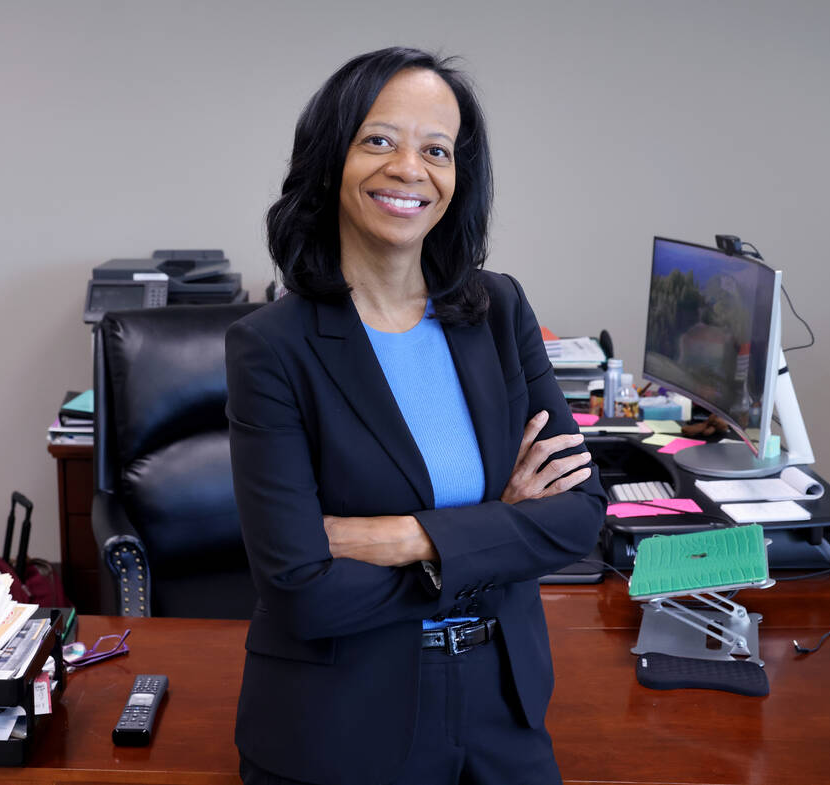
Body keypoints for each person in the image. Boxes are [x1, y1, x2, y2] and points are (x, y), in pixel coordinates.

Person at [226, 47, 608, 785]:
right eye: (379, 140)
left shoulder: (498, 310)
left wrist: (408, 537)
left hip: (502, 703)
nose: (409, 168)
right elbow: (301, 589)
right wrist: (495, 531)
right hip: (341, 720)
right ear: (329, 158)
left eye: (437, 149)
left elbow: (578, 515)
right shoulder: (271, 346)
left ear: (458, 178)